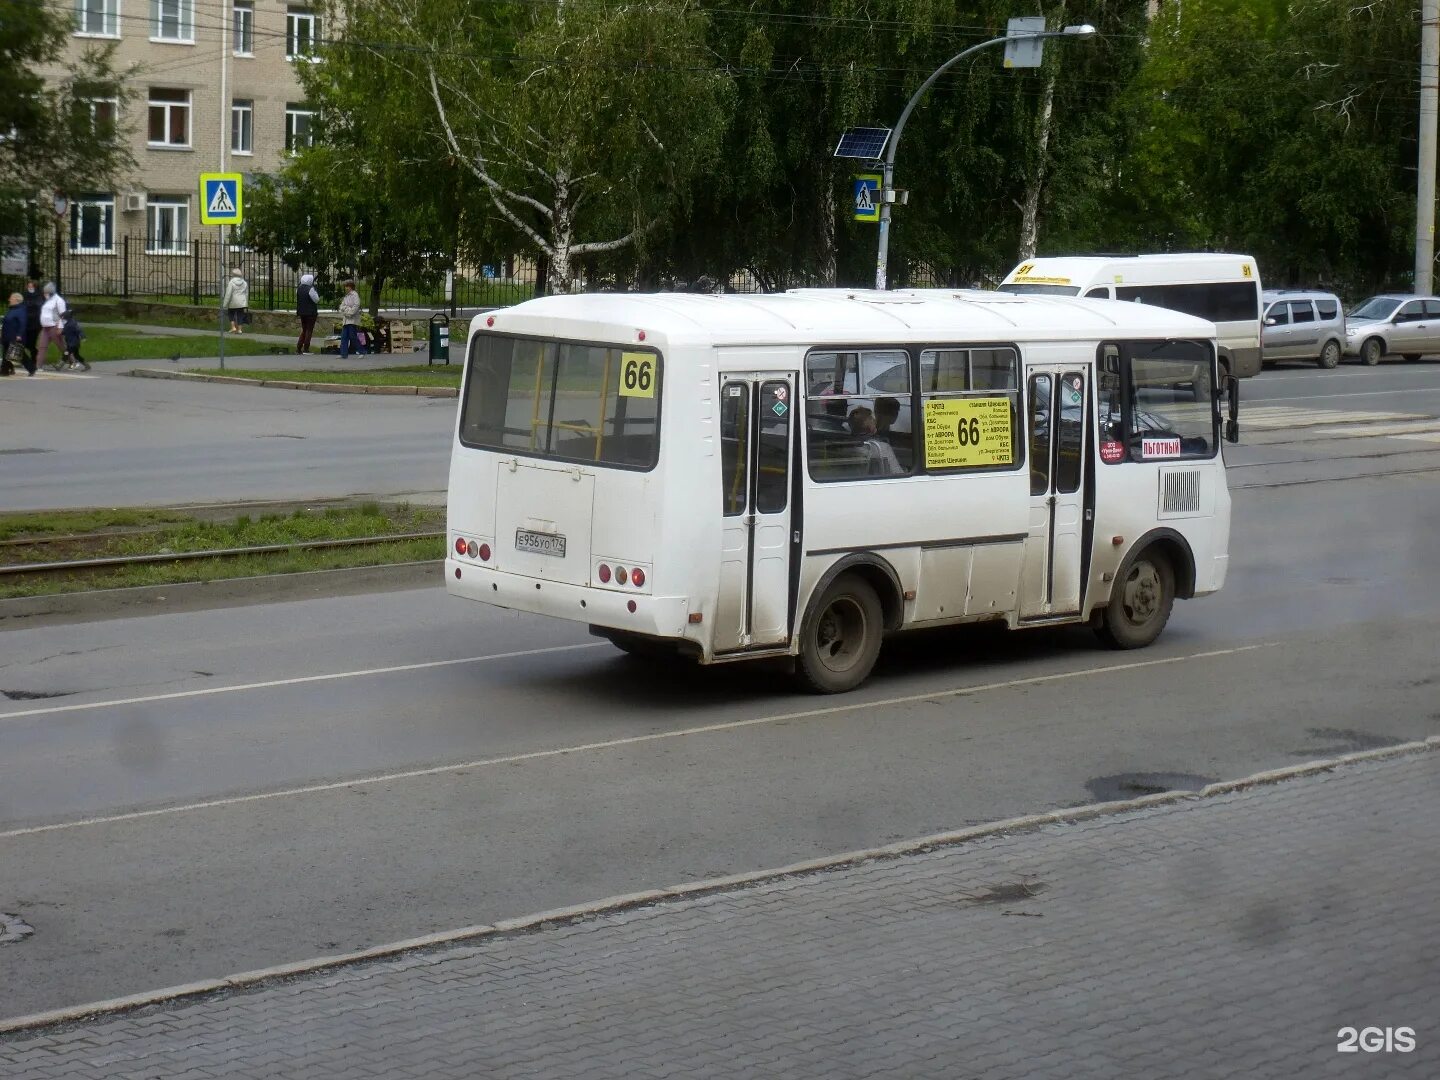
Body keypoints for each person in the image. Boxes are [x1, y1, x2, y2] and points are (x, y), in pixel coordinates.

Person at [847, 405, 903, 476]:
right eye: (873, 419)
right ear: (871, 427)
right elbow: (898, 473)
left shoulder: (846, 445)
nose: (875, 421)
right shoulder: (881, 447)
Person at [36, 283, 67, 371]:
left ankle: (72, 361)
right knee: (42, 346)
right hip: (45, 327)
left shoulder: (59, 301)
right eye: (44, 293)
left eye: (46, 293)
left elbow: (63, 315)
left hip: (54, 327)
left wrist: (60, 327)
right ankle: (39, 365)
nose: (45, 294)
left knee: (61, 346)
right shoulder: (48, 300)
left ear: (51, 292)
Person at [2, 292, 34, 376]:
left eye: (11, 298)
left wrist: (19, 334)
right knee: (6, 354)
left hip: (14, 336)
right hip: (7, 335)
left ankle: (31, 368)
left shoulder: (21, 310)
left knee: (19, 354)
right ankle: (4, 371)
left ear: (17, 300)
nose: (9, 299)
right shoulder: (12, 309)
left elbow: (22, 323)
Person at [338, 279, 364, 359]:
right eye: (345, 286)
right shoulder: (346, 296)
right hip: (346, 320)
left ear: (351, 287)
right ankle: (343, 354)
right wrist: (346, 310)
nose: (346, 288)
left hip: (352, 319)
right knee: (344, 337)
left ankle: (361, 351)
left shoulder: (354, 295)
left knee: (353, 336)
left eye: (347, 286)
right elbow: (341, 307)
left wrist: (349, 312)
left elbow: (356, 306)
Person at [296, 273, 320, 355]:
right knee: (309, 330)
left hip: (302, 312)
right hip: (311, 313)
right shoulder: (311, 289)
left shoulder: (299, 289)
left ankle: (299, 347)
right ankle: (306, 348)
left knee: (304, 329)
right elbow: (316, 300)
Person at [222, 268, 250, 334]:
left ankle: (233, 327)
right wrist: (246, 303)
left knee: (231, 313)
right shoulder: (244, 283)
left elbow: (228, 294)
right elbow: (246, 293)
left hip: (233, 302)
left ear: (233, 274)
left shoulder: (231, 282)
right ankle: (239, 330)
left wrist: (225, 304)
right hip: (242, 302)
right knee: (240, 315)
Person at [21, 279, 41, 369]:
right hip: (26, 323)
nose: (30, 288)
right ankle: (28, 360)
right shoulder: (25, 295)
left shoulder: (38, 295)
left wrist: (29, 305)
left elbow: (37, 305)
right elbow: (23, 304)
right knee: (24, 343)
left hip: (35, 324)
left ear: (35, 287)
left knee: (31, 344)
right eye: (29, 286)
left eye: (31, 286)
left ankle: (34, 360)